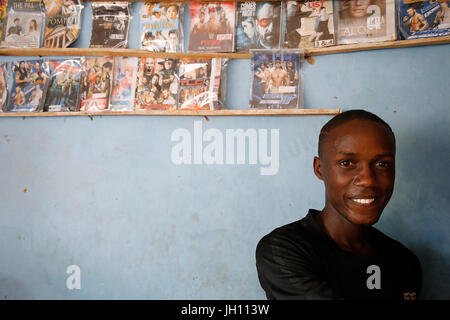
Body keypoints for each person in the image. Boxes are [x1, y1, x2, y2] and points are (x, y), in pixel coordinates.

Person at [256, 110, 422, 300]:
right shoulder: (284, 250)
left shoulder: (404, 262)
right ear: (319, 169)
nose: (368, 180)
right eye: (346, 163)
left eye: (382, 164)